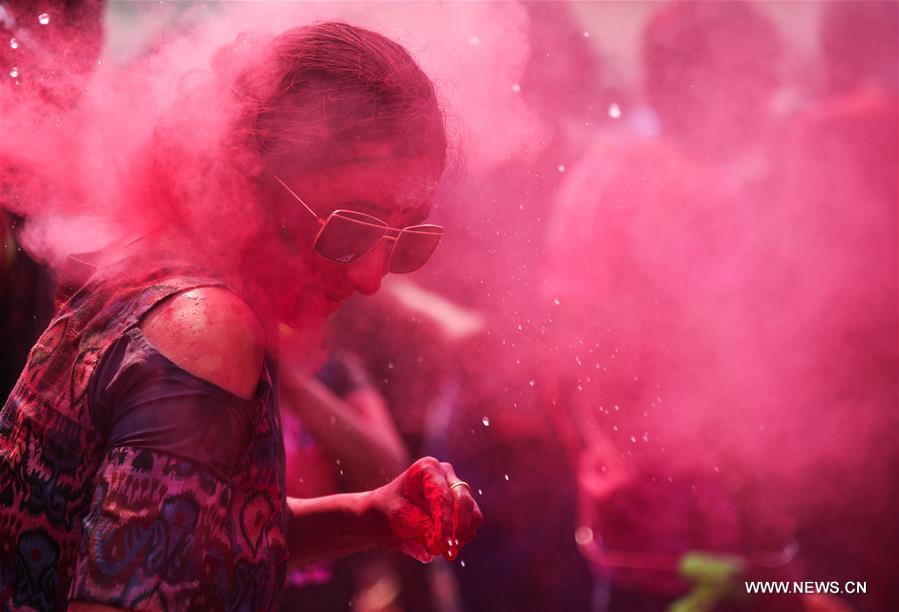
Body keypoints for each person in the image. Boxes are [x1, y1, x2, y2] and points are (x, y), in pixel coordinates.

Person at [0, 21, 482, 611]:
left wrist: (365, 515)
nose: (371, 277)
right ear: (247, 175)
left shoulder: (152, 265)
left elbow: (182, 535)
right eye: (351, 224)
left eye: (405, 235)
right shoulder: (207, 330)